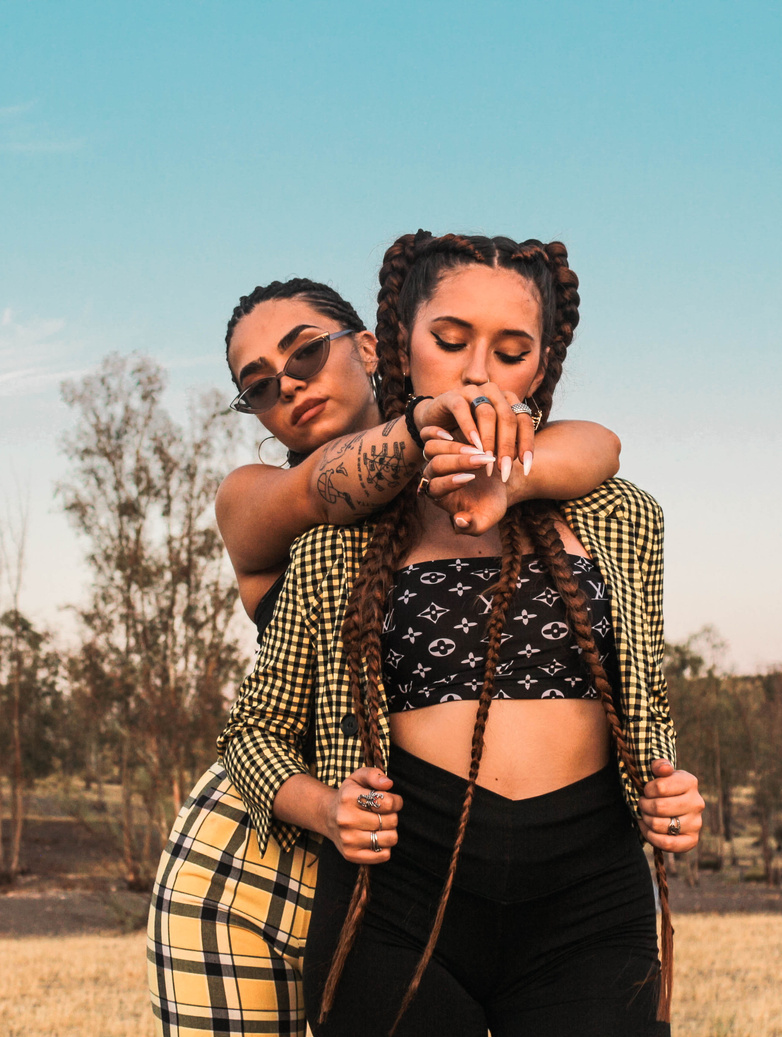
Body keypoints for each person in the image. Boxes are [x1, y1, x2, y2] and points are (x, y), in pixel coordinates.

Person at [217, 234, 704, 1037]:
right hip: (392, 887)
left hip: (589, 897)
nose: (477, 372)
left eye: (510, 352)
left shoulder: (619, 514)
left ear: (540, 366)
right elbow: (255, 727)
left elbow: (641, 694)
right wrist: (329, 807)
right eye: (448, 341)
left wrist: (666, 787)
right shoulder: (318, 530)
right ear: (402, 346)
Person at [148, 277, 623, 1037]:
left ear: (368, 348)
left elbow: (596, 445)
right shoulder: (257, 494)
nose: (287, 384)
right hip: (260, 846)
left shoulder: (475, 486)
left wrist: (500, 456)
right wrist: (432, 423)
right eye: (258, 384)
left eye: (306, 352)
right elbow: (329, 488)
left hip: (420, 847)